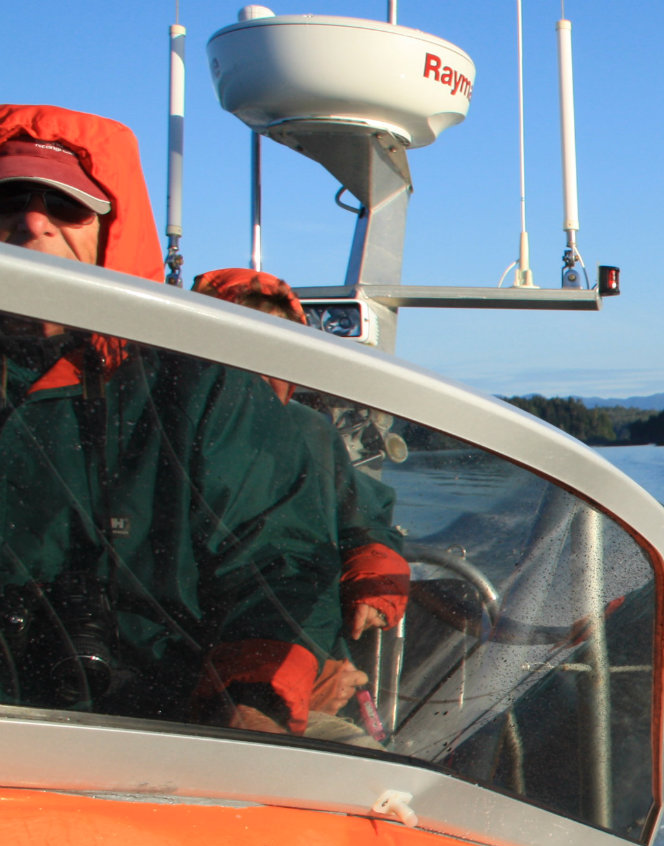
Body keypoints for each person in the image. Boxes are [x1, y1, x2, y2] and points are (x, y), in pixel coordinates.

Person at [0, 105, 343, 732]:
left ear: (111, 230)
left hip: (175, 723)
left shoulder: (200, 387)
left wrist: (253, 701)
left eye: (67, 208)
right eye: (7, 205)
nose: (31, 225)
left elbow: (283, 562)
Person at [191, 267, 412, 740]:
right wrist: (292, 683)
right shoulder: (171, 433)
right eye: (240, 341)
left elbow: (362, 513)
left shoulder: (310, 432)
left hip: (288, 674)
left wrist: (374, 571)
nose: (260, 364)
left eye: (278, 343)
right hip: (214, 690)